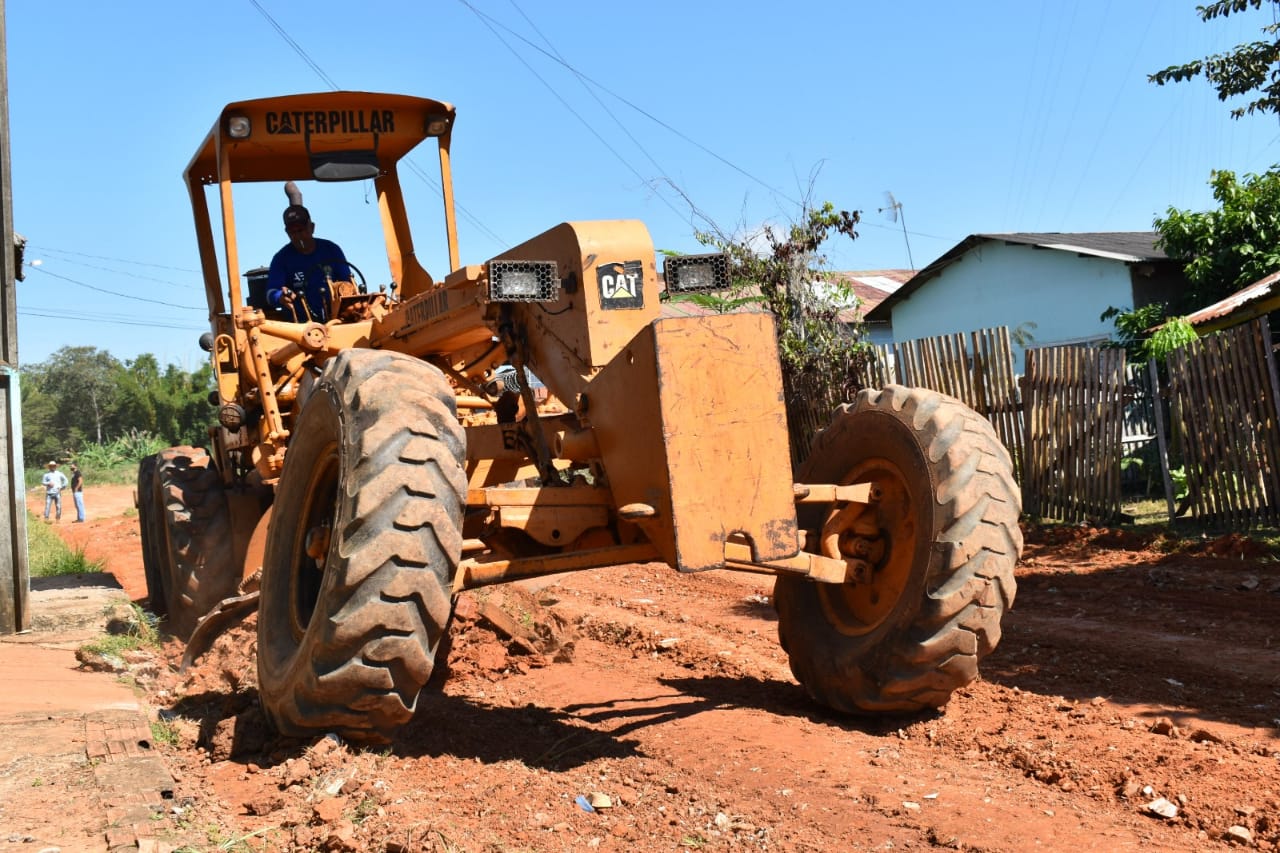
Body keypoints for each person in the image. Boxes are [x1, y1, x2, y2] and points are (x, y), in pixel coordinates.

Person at [265, 182, 351, 323]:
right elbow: (270, 293)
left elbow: (348, 284)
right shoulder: (281, 259)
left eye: (301, 230)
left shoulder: (332, 250)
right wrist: (280, 296)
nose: (298, 236)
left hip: (338, 322)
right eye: (293, 232)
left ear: (312, 227)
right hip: (301, 329)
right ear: (287, 232)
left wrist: (344, 288)